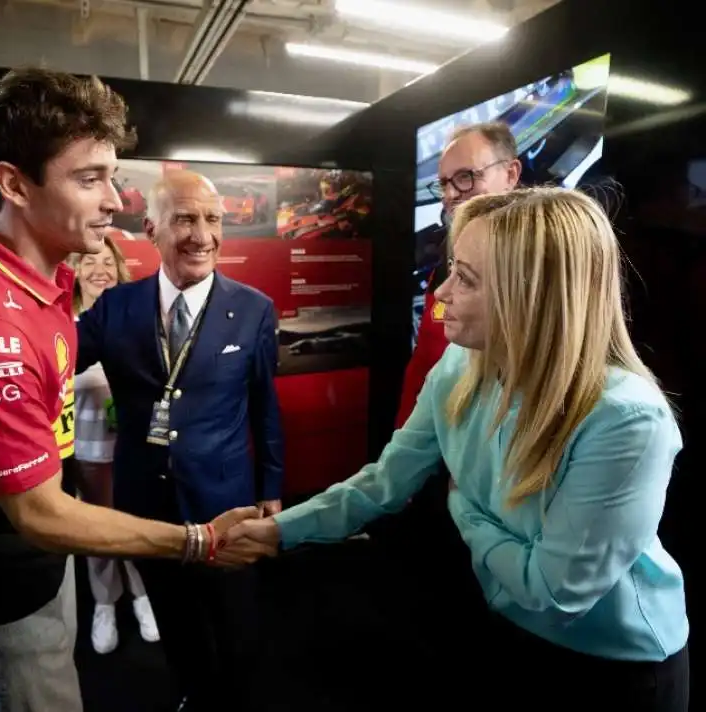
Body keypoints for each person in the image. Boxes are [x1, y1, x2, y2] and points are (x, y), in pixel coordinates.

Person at [228, 187, 690, 711]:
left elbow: (555, 592)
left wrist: (462, 508)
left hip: (612, 668)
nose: (442, 293)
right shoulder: (459, 367)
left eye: (466, 278)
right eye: (452, 268)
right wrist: (279, 531)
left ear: (530, 297)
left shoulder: (625, 418)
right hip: (503, 626)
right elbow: (385, 481)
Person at [0, 67, 270, 712]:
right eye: (89, 178)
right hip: (4, 573)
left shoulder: (43, 286)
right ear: (15, 184)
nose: (112, 200)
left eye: (111, 176)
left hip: (44, 556)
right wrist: (197, 540)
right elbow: (40, 513)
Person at [76, 169, 284, 712]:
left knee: (235, 618)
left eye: (212, 220)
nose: (202, 235)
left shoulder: (255, 308)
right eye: (185, 219)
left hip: (227, 499)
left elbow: (264, 403)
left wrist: (272, 486)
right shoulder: (115, 308)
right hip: (147, 502)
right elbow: (52, 363)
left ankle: (237, 697)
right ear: (152, 228)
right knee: (173, 614)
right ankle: (191, 689)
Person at [396, 121, 521, 428]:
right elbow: (424, 362)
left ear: (510, 174)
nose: (451, 194)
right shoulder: (443, 259)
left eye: (466, 177)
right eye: (444, 183)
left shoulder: (539, 268)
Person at [71, 235, 159, 654]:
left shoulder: (136, 317)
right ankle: (105, 603)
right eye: (89, 261)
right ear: (72, 269)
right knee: (98, 534)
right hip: (85, 452)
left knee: (139, 528)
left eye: (107, 261)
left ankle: (144, 598)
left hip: (134, 449)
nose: (99, 270)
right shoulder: (61, 322)